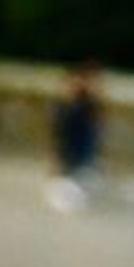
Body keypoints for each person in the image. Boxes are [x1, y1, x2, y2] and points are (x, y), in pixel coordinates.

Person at [47, 62, 103, 212]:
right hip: (72, 150)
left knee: (78, 176)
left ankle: (71, 189)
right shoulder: (68, 105)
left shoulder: (87, 103)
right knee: (69, 176)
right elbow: (60, 133)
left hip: (81, 151)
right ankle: (66, 190)